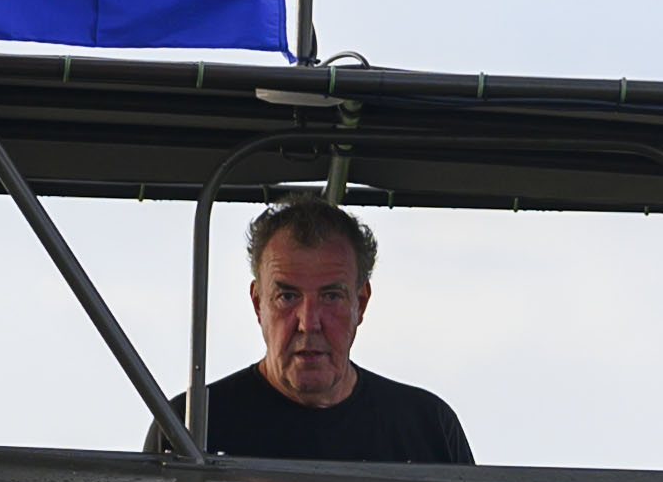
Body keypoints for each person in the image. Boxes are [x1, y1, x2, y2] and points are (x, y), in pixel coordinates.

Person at [198, 191, 472, 464]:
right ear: (258, 304)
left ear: (360, 303)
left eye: (331, 297)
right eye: (287, 297)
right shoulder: (192, 427)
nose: (309, 323)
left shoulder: (428, 428)